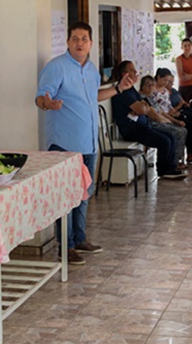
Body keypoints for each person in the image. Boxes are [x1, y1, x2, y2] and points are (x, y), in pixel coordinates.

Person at [35, 21, 136, 265]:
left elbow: (95, 97)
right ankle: (65, 246)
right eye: (75, 39)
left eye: (84, 39)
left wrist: (118, 89)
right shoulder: (56, 67)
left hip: (88, 143)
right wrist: (48, 104)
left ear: (91, 44)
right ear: (68, 42)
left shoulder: (91, 70)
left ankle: (79, 238)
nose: (80, 43)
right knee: (66, 198)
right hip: (64, 145)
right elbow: (40, 97)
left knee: (83, 193)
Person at [111, 60, 187, 180]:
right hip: (132, 129)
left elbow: (145, 104)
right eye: (132, 70)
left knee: (171, 137)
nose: (135, 72)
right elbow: (141, 109)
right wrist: (142, 107)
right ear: (124, 74)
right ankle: (163, 170)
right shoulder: (122, 92)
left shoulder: (131, 89)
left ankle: (171, 167)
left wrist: (142, 106)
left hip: (143, 125)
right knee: (164, 141)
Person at [140, 73, 188, 170]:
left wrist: (175, 122)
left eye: (152, 85)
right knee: (176, 132)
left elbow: (161, 112)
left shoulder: (152, 97)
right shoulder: (142, 98)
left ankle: (177, 160)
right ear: (142, 87)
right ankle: (172, 163)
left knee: (182, 129)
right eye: (148, 85)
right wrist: (168, 122)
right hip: (152, 123)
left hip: (161, 120)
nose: (151, 87)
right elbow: (155, 116)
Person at [175, 38, 192, 109]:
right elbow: (181, 77)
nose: (187, 48)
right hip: (184, 87)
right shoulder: (179, 59)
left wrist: (189, 76)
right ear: (182, 47)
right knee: (185, 108)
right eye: (185, 46)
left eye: (189, 45)